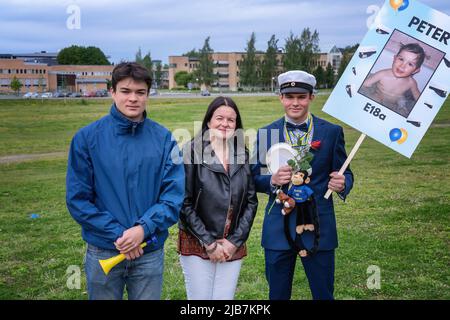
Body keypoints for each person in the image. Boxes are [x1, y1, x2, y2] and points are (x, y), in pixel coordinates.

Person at [66, 62, 184, 300]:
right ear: (112, 92)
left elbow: (173, 196)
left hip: (148, 251)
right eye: (125, 91)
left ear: (148, 95)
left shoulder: (164, 139)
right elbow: (78, 200)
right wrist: (120, 235)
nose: (133, 99)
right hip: (103, 249)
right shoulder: (86, 139)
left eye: (140, 92)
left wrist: (143, 229)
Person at [251, 70, 354, 300]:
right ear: (281, 98)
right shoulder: (267, 133)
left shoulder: (331, 132)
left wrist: (342, 182)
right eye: (289, 97)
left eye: (301, 97)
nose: (295, 103)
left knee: (323, 293)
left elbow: (346, 173)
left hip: (318, 226)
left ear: (311, 97)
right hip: (278, 226)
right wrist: (271, 180)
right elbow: (254, 177)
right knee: (277, 295)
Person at [178, 96, 258, 300]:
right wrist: (209, 243)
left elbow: (251, 201)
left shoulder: (242, 154)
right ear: (208, 121)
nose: (225, 124)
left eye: (231, 120)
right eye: (219, 118)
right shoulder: (190, 152)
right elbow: (183, 203)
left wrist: (234, 241)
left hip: (232, 242)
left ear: (236, 125)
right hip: (197, 239)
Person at [361, 43, 425, 117]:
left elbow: (418, 99)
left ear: (415, 71)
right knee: (374, 99)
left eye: (410, 64)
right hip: (379, 96)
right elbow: (364, 84)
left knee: (404, 112)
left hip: (395, 104)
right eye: (401, 59)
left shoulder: (411, 83)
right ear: (394, 59)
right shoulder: (382, 74)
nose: (402, 66)